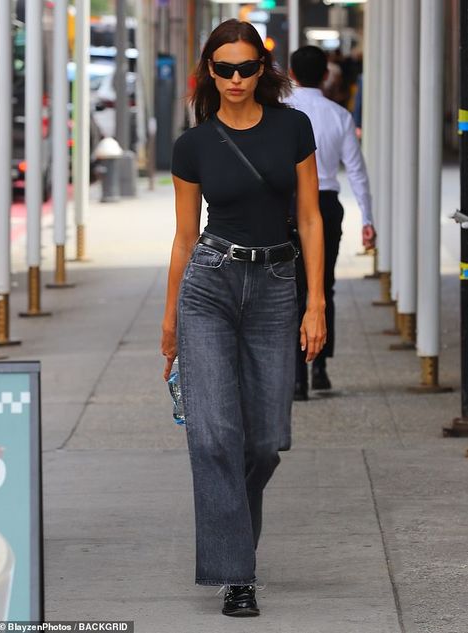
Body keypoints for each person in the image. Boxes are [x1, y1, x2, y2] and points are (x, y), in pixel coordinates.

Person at [161, 20, 326, 617]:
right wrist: (170, 320)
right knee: (214, 436)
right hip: (209, 284)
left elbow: (310, 218)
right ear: (210, 71)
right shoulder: (194, 144)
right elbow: (184, 239)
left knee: (264, 443)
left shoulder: (293, 127)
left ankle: (230, 530)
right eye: (224, 69)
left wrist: (316, 302)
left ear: (264, 70)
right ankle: (237, 573)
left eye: (246, 68)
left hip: (278, 288)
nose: (235, 79)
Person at [286, 45, 376, 398]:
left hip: (290, 205)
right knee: (324, 285)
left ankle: (297, 377)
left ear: (291, 74)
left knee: (293, 289)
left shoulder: (281, 111)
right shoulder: (339, 115)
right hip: (326, 204)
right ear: (326, 74)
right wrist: (367, 218)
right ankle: (320, 367)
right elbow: (357, 172)